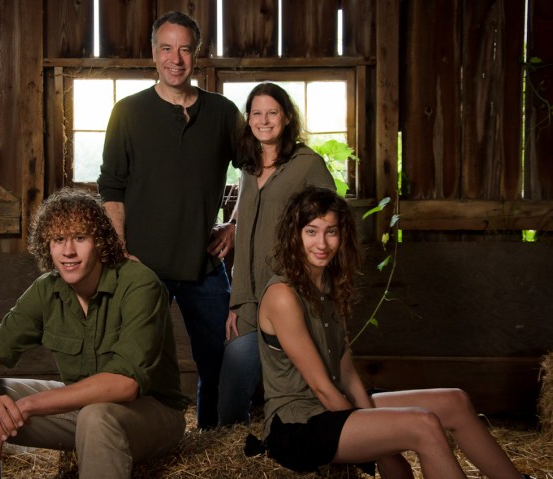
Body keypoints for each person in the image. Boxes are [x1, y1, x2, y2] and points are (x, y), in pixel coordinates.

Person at [248, 186, 529, 478]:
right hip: (297, 424)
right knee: (423, 424)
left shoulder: (328, 284)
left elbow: (345, 370)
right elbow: (322, 388)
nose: (322, 243)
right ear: (294, 235)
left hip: (333, 402)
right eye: (311, 231)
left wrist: (373, 421)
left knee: (455, 402)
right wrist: (383, 451)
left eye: (331, 231)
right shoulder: (283, 295)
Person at [0, 187, 188, 479]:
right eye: (58, 239)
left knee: (97, 417)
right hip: (82, 410)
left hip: (153, 413)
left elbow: (125, 385)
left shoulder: (139, 284)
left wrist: (28, 405)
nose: (68, 251)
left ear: (100, 242)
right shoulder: (47, 289)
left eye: (80, 237)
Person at [98, 10, 243, 429]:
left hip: (203, 264)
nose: (175, 59)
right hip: (143, 266)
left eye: (184, 49)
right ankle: (150, 435)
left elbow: (256, 169)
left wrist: (235, 223)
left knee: (220, 356)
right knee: (138, 361)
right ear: (153, 53)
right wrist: (120, 252)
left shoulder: (223, 113)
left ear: (197, 53)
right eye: (166, 48)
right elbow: (112, 188)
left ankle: (213, 437)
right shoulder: (128, 112)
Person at [217, 83, 335, 426]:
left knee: (302, 381)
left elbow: (331, 221)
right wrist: (235, 302)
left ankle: (326, 436)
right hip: (247, 297)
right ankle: (232, 447)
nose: (264, 120)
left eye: (272, 112)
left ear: (287, 117)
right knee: (231, 392)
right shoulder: (249, 166)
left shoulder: (307, 164)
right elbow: (247, 212)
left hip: (288, 293)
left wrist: (313, 280)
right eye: (256, 113)